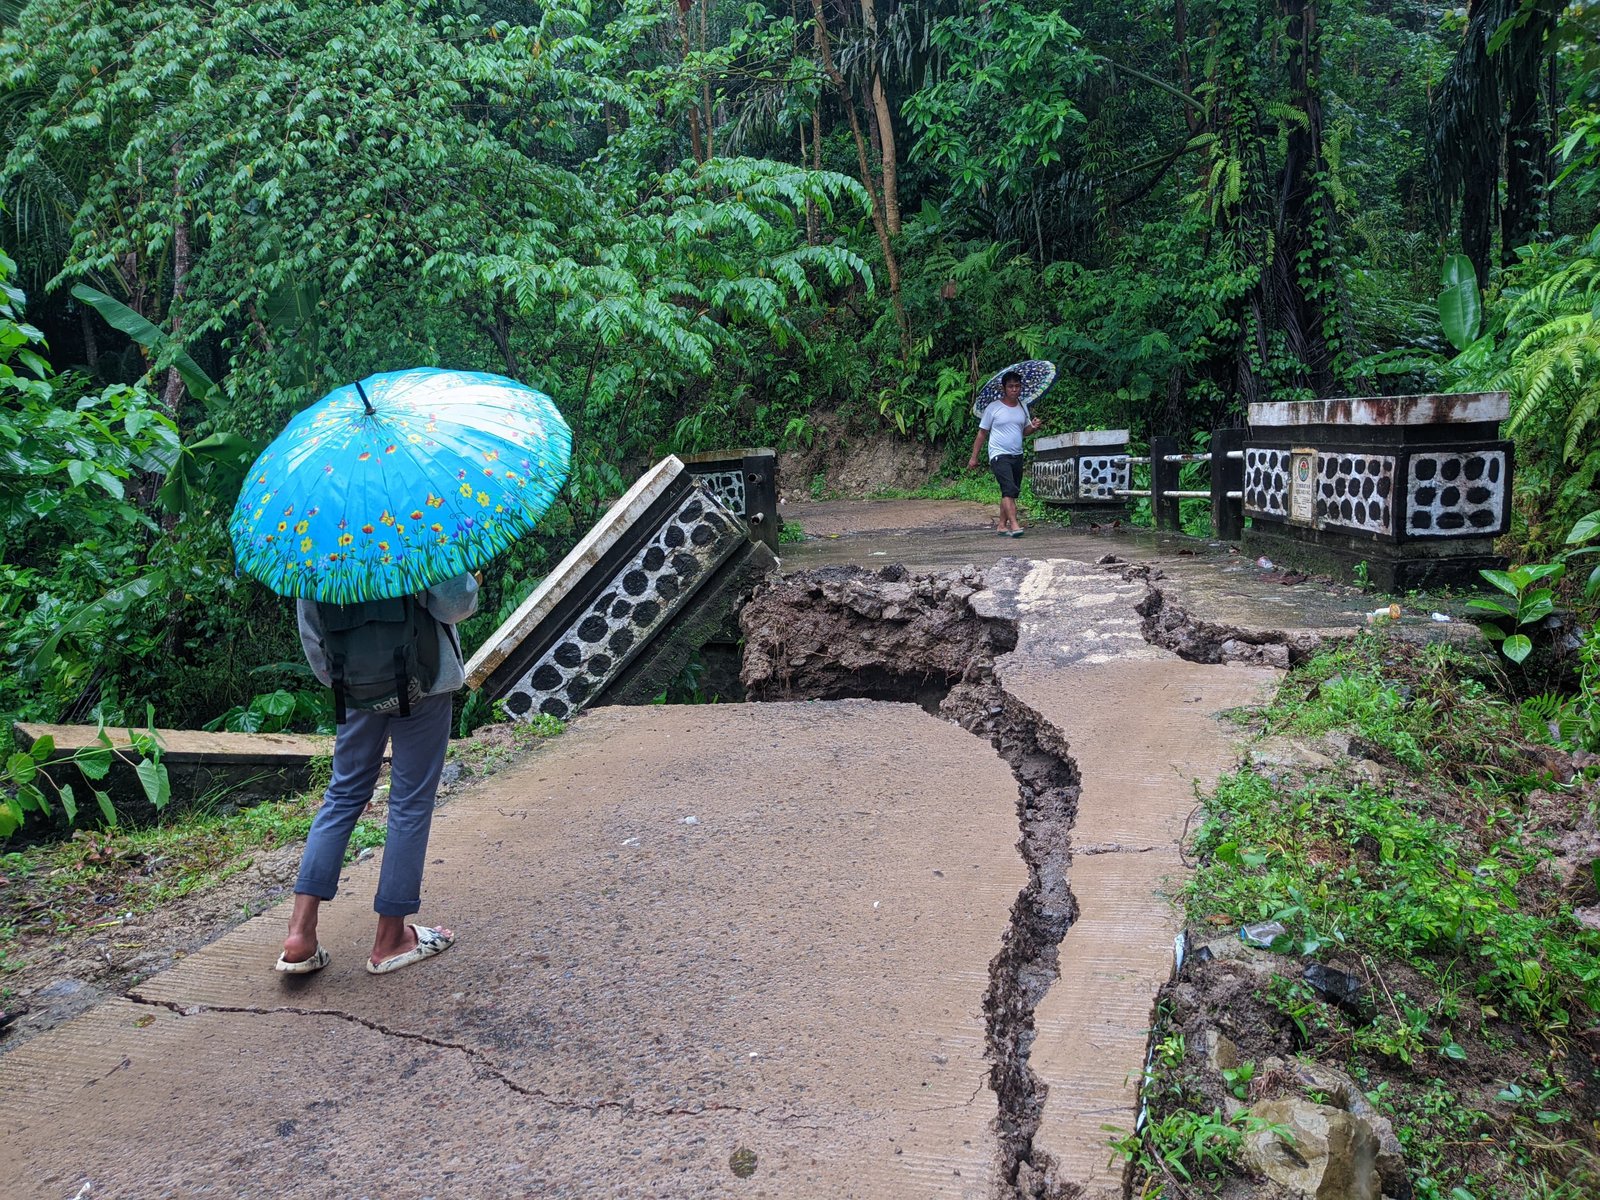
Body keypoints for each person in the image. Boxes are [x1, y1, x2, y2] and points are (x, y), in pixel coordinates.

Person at [277, 571, 479, 976]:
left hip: (353, 682)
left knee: (343, 795)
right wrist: (469, 583)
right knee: (410, 802)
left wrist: (345, 678)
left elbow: (311, 625)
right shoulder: (415, 535)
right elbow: (455, 605)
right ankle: (390, 939)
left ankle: (299, 934)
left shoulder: (317, 546)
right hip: (425, 680)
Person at [968, 371, 1042, 537]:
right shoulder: (993, 408)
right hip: (999, 454)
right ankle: (1014, 525)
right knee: (1009, 489)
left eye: (1017, 386)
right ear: (1004, 388)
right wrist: (974, 457)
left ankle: (1001, 525)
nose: (1014, 389)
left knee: (1010, 491)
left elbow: (1023, 431)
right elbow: (982, 433)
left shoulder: (1022, 407)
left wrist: (1033, 427)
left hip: (1017, 454)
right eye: (1010, 386)